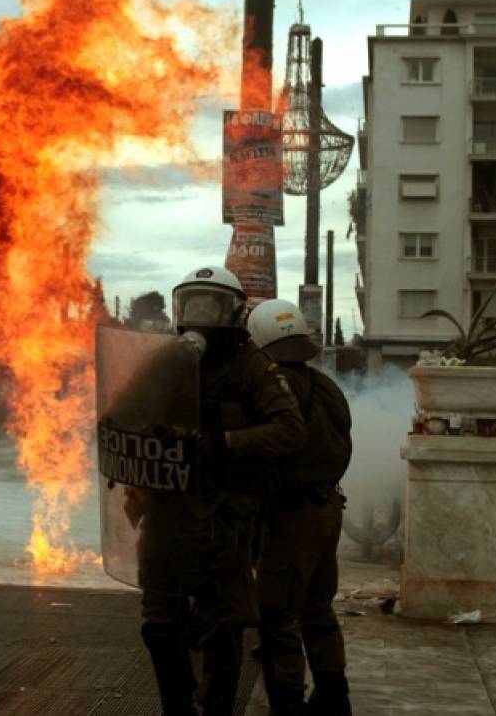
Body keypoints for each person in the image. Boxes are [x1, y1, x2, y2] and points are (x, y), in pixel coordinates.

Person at [135, 267, 306, 716]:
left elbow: (290, 430)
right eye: (191, 304)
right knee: (158, 623)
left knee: (223, 627)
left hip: (223, 517)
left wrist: (227, 441)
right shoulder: (168, 359)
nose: (199, 317)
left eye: (211, 306)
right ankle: (177, 706)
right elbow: (123, 413)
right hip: (168, 510)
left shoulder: (252, 365)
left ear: (234, 313)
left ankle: (216, 709)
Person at [246, 299, 353, 715]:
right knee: (317, 607)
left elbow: (278, 443)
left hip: (293, 516)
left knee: (277, 615)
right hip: (326, 507)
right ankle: (333, 696)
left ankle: (287, 704)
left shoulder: (277, 386)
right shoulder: (322, 383)